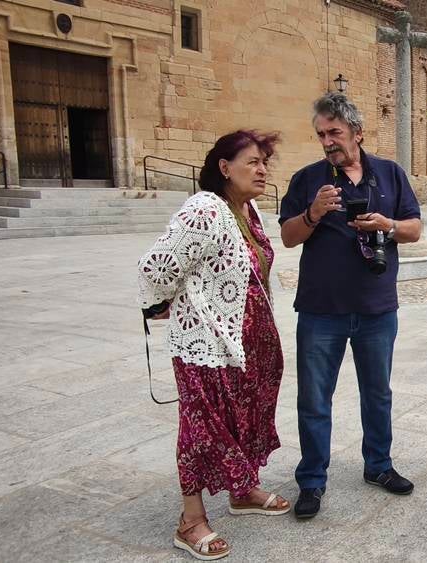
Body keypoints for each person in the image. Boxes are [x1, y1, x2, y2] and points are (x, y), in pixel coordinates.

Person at [137, 130, 288, 561]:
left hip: (249, 341)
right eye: (253, 162)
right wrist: (158, 304)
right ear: (224, 167)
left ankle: (242, 491)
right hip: (205, 341)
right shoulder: (204, 207)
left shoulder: (248, 209)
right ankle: (191, 521)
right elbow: (158, 265)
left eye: (264, 163)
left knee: (243, 416)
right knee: (202, 427)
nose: (262, 170)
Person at [279, 92, 423, 519]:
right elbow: (287, 236)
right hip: (321, 310)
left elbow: (414, 228)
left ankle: (378, 466)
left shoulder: (390, 174)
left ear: (357, 132)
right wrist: (314, 212)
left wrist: (388, 226)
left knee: (377, 394)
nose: (327, 141)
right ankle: (311, 481)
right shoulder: (308, 180)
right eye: (321, 134)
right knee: (314, 398)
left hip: (378, 310)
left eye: (335, 133)